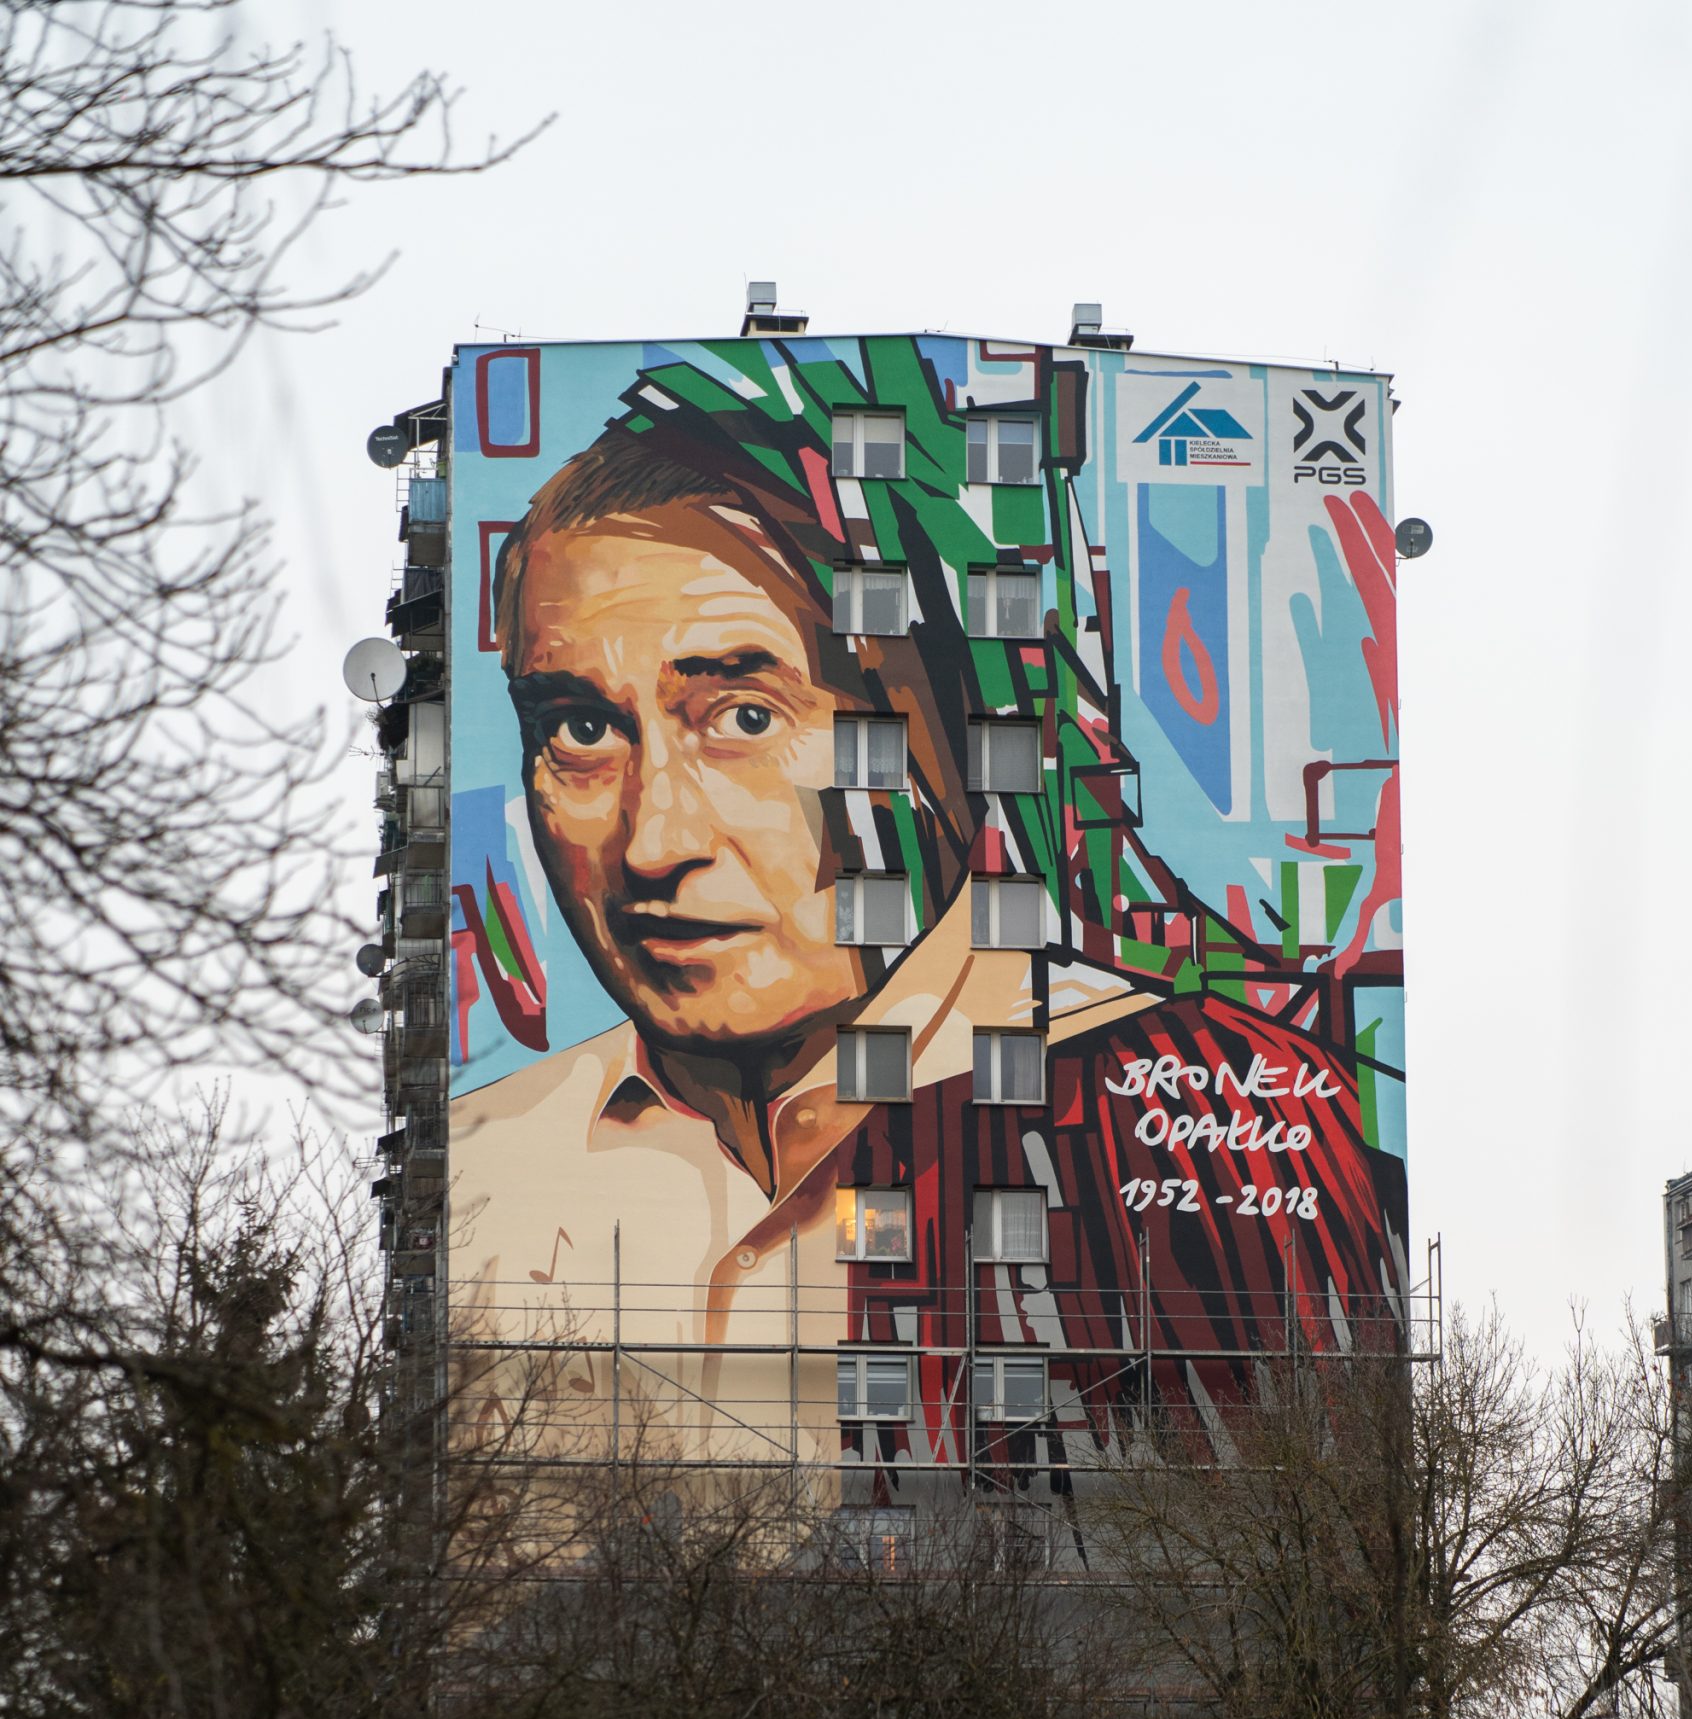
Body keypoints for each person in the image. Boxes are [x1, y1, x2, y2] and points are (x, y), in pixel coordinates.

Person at [449, 338, 1407, 1466]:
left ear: (933, 742)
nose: (653, 841)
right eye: (580, 729)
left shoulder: (1209, 1119)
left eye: (744, 716)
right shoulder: (482, 1164)